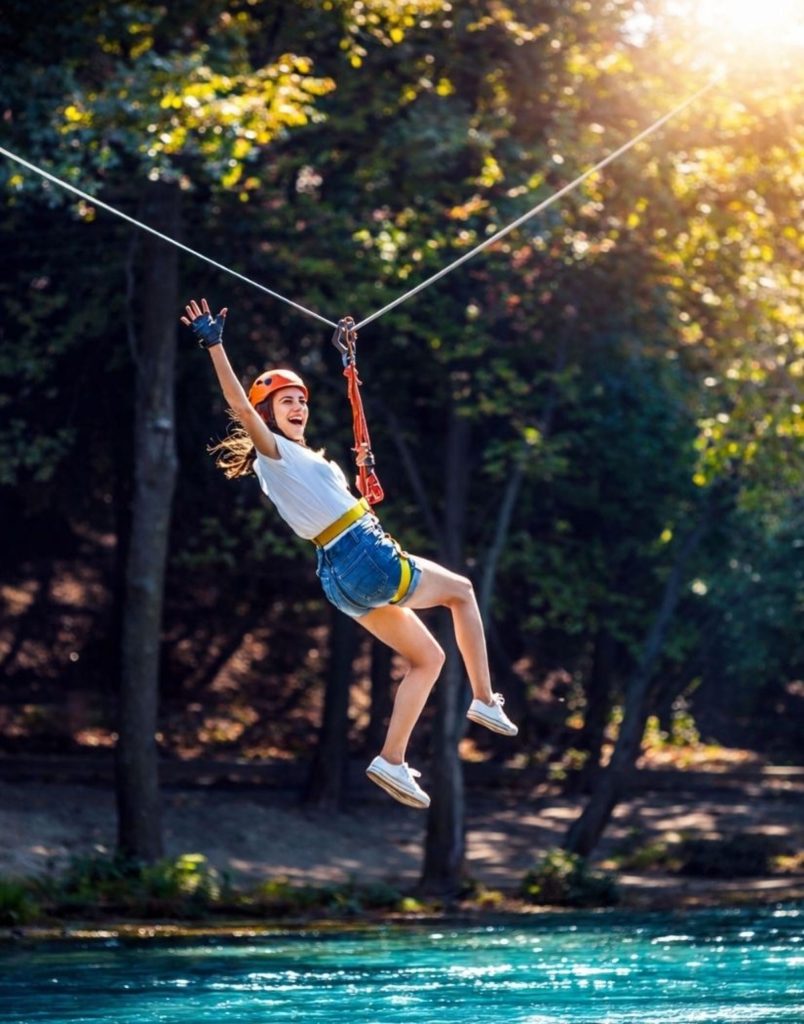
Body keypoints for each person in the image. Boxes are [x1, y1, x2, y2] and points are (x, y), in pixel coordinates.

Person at [181, 297, 518, 809]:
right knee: (463, 592)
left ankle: (392, 760)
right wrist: (215, 346)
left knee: (428, 658)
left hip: (338, 577)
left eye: (301, 400)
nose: (298, 407)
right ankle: (485, 699)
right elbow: (240, 407)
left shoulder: (304, 460)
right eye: (285, 402)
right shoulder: (275, 453)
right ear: (267, 414)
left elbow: (331, 497)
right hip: (362, 555)